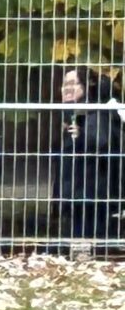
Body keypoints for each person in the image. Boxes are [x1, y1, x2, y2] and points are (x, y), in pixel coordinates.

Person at [51, 68, 121, 250]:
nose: (67, 88)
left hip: (88, 196)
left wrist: (81, 136)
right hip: (79, 195)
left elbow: (102, 144)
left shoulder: (92, 113)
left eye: (73, 83)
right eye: (65, 84)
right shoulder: (74, 113)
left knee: (85, 241)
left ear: (85, 87)